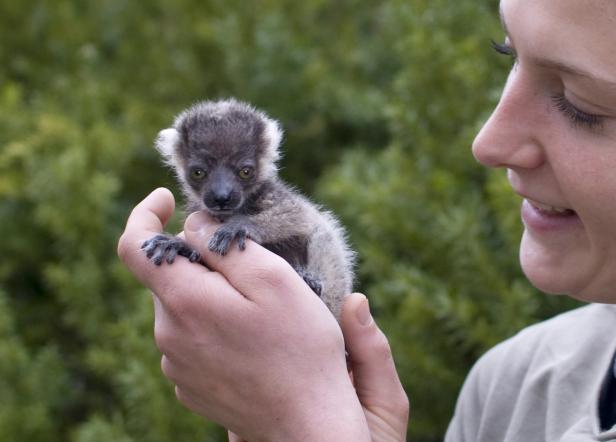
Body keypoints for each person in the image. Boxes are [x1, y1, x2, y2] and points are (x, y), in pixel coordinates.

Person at [117, 0, 616, 439]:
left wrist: (310, 425)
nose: (488, 145)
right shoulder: (510, 393)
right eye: (506, 54)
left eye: (582, 104)